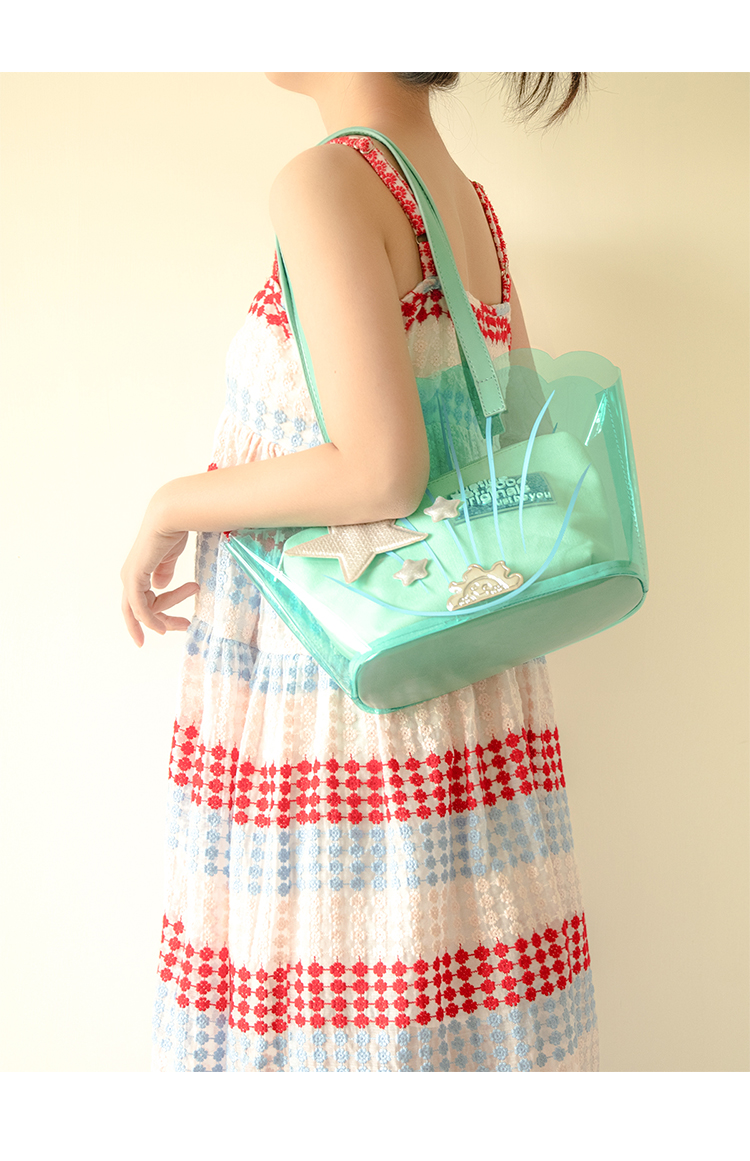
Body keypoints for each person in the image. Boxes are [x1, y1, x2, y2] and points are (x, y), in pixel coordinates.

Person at [120, 71, 597, 1072]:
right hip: (458, 684)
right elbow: (509, 446)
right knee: (447, 1012)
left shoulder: (329, 182)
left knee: (340, 1026)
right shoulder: (468, 206)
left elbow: (382, 471)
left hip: (349, 695)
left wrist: (171, 502)